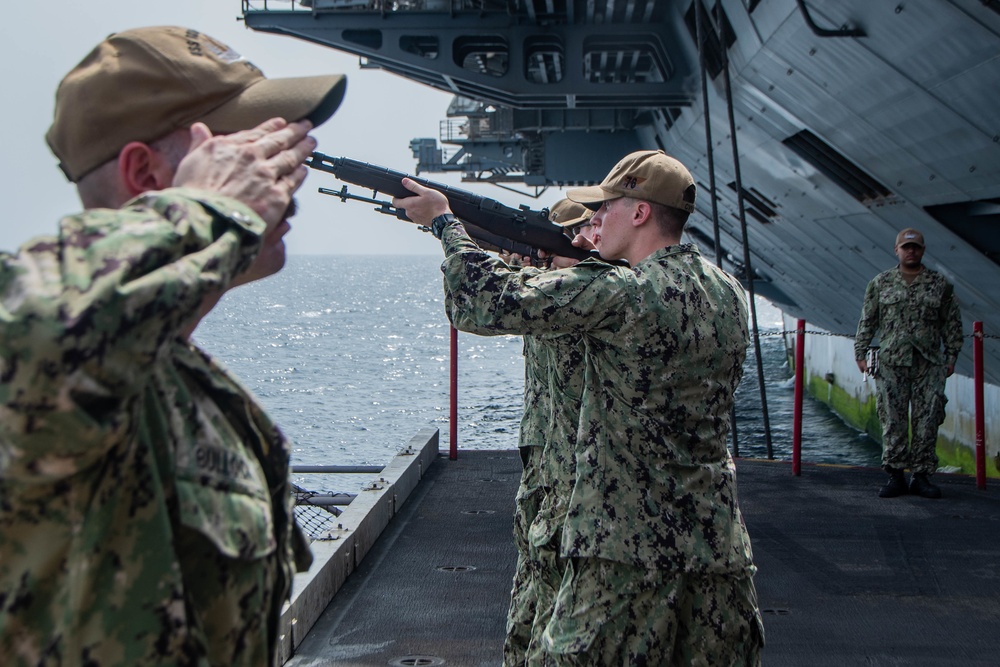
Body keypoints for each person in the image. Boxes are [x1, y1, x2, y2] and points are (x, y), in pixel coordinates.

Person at [0, 26, 347, 666]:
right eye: (246, 148)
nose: (287, 167)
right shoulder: (55, 348)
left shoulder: (179, 379)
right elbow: (38, 333)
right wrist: (209, 212)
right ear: (146, 173)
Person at [393, 150, 763, 665]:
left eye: (606, 208)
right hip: (715, 541)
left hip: (624, 546)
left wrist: (444, 223)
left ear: (639, 213)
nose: (596, 220)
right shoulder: (726, 291)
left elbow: (482, 302)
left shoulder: (624, 293)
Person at [498, 199, 594, 667]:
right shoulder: (559, 289)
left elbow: (485, 306)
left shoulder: (586, 298)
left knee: (556, 609)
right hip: (542, 456)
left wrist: (447, 227)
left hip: (570, 473)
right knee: (531, 596)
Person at [854, 228, 963, 499]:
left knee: (927, 420)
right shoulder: (881, 283)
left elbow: (951, 323)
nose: (910, 251)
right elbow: (868, 319)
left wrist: (951, 357)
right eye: (906, 247)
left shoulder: (939, 284)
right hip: (892, 362)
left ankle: (921, 476)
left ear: (922, 251)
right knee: (893, 419)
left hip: (929, 363)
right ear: (897, 250)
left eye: (915, 247)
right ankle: (895, 475)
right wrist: (860, 351)